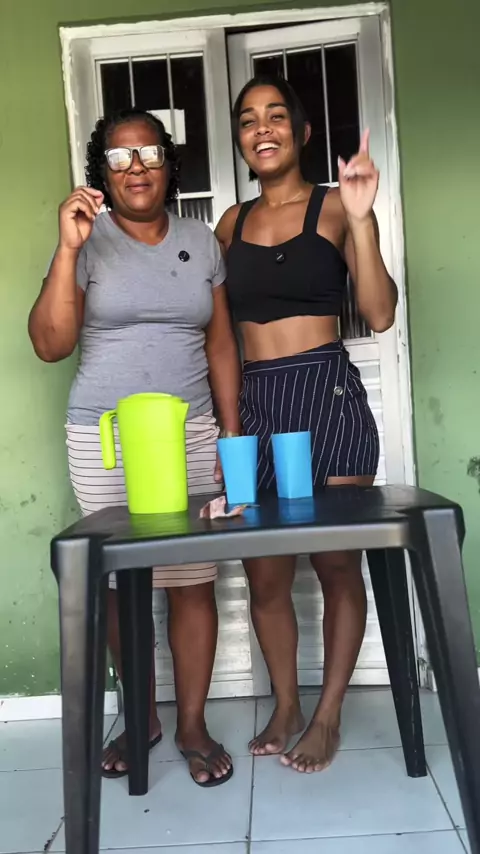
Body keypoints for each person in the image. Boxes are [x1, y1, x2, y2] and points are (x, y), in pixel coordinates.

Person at [29, 108, 241, 786]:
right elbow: (50, 345)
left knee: (190, 580)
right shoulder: (85, 242)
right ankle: (142, 715)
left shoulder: (201, 241)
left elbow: (221, 343)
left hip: (189, 433)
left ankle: (192, 724)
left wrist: (231, 432)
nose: (137, 167)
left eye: (149, 153)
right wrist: (67, 249)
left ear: (169, 165)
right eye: (120, 158)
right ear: (103, 173)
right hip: (106, 439)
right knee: (122, 584)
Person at [216, 75, 398, 774]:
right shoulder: (229, 225)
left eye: (276, 116)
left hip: (328, 395)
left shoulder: (335, 207)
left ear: (302, 131)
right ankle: (287, 704)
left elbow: (378, 313)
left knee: (335, 564)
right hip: (258, 402)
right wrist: (230, 425)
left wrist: (361, 218)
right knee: (264, 573)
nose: (262, 128)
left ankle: (327, 716)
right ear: (240, 138)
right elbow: (220, 336)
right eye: (248, 119)